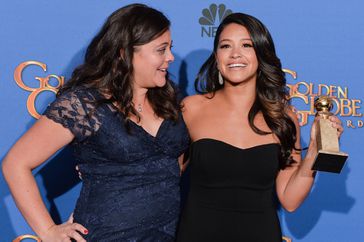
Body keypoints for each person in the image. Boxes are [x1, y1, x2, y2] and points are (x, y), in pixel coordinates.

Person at [2, 4, 189, 241]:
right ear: (124, 53)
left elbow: (177, 161)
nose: (170, 57)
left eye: (170, 48)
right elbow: (15, 163)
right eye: (161, 50)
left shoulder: (170, 99)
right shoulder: (85, 104)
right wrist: (48, 231)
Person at [176, 13, 344, 242]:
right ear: (217, 57)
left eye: (247, 45)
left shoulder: (283, 118)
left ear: (261, 54)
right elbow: (164, 180)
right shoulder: (191, 109)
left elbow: (290, 200)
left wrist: (314, 151)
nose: (235, 54)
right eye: (226, 46)